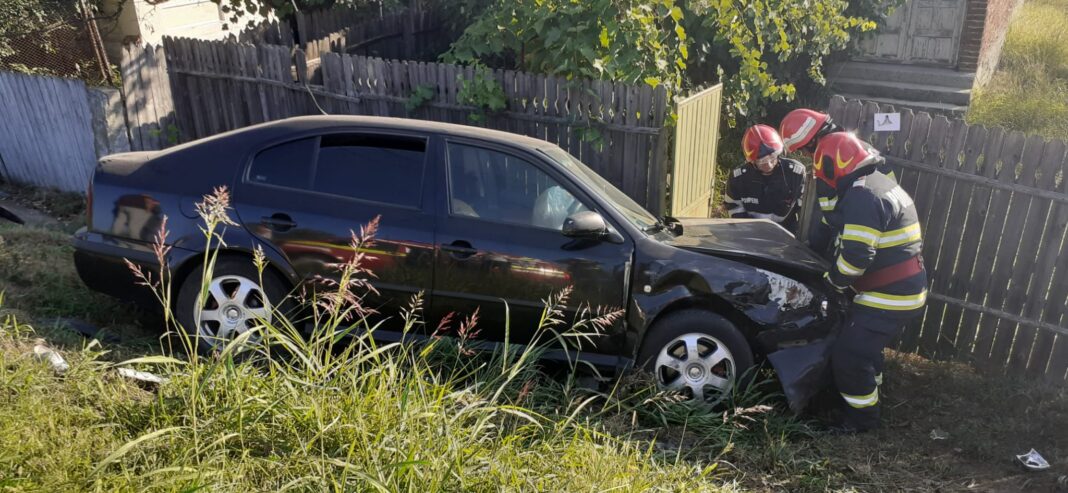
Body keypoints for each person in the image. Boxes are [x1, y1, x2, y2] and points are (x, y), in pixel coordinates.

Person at [812, 132, 927, 433]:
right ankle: (870, 392)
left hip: (889, 293)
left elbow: (856, 256)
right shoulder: (881, 182)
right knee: (867, 348)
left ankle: (862, 421)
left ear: (833, 168)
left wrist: (832, 283)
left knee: (850, 354)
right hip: (900, 288)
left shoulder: (863, 195)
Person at [779, 109, 897, 256]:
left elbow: (871, 210)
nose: (804, 155)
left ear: (812, 141)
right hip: (863, 246)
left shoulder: (835, 162)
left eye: (802, 150)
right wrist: (813, 248)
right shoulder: (864, 151)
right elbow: (830, 216)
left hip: (867, 250)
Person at [723, 124, 807, 233]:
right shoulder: (738, 179)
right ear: (752, 161)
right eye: (762, 161)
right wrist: (748, 231)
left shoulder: (796, 174)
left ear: (779, 153)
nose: (769, 165)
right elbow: (733, 207)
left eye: (772, 158)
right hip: (749, 232)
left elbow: (805, 209)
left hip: (786, 233)